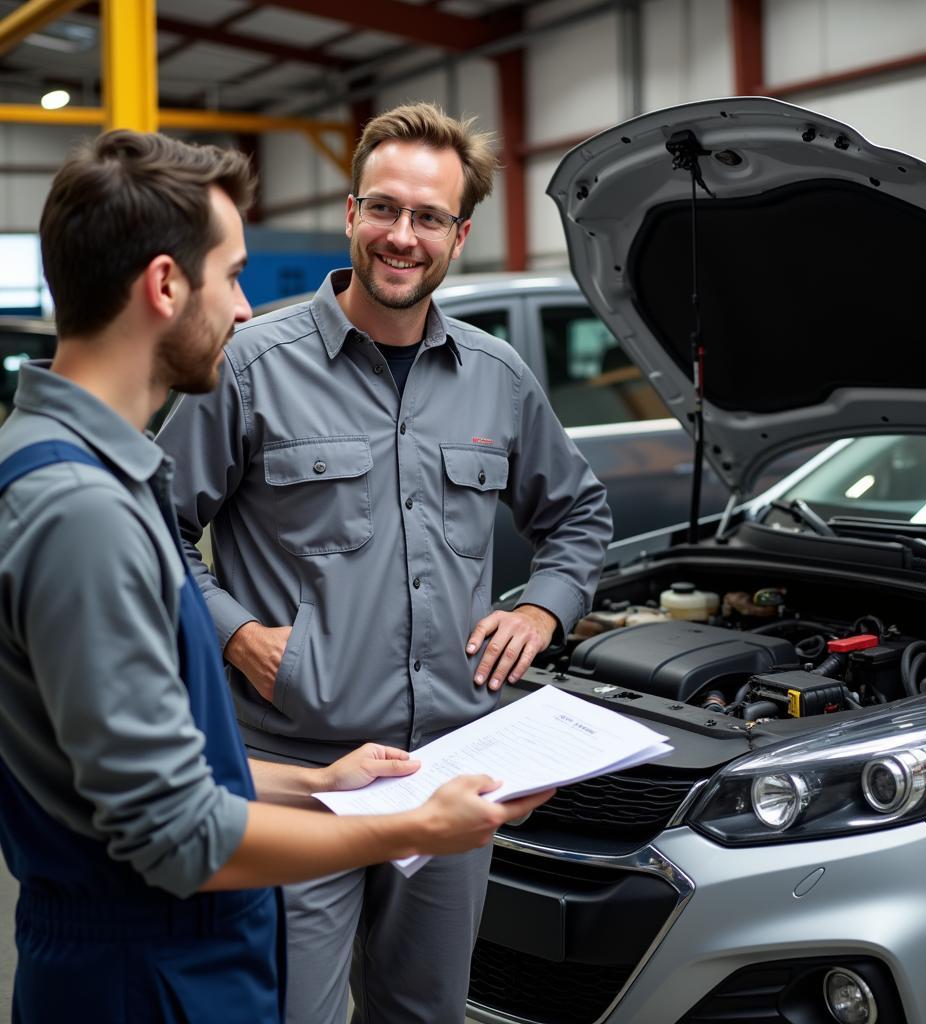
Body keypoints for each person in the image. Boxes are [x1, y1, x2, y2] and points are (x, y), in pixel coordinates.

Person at [0, 129, 551, 1024]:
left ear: (460, 232)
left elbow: (168, 768)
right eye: (232, 275)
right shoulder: (81, 508)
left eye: (429, 216)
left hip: (228, 876)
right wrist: (409, 826)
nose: (249, 308)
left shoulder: (92, 475)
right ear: (166, 286)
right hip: (141, 960)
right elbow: (173, 828)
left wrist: (323, 786)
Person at [156, 102, 613, 1023]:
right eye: (385, 209)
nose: (402, 237)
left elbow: (579, 513)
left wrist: (543, 610)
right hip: (299, 777)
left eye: (428, 217)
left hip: (452, 770)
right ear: (353, 212)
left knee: (427, 1012)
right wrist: (236, 634)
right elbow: (149, 526)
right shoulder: (252, 366)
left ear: (459, 233)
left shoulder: (497, 377)